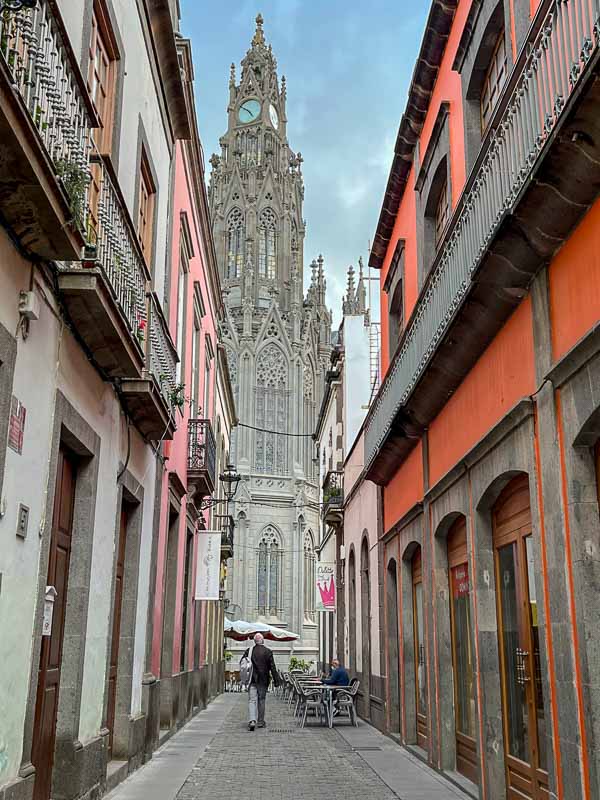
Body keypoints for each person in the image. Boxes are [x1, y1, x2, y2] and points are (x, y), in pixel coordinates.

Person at [244, 632, 279, 731]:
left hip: (252, 679)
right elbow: (272, 667)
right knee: (261, 700)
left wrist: (244, 678)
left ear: (255, 641)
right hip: (263, 680)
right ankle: (260, 721)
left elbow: (243, 664)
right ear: (262, 640)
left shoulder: (249, 651)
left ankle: (252, 721)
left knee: (252, 700)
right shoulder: (268, 651)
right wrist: (276, 681)